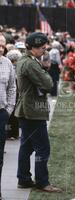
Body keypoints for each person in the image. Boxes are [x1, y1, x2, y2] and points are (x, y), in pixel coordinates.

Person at [14, 32, 62, 192]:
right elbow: (49, 83)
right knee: (43, 148)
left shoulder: (26, 60)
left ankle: (24, 178)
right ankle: (42, 182)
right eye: (41, 47)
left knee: (26, 147)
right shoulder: (30, 63)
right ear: (32, 48)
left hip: (27, 110)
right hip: (32, 112)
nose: (44, 50)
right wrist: (45, 73)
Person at [0, 34, 16, 199]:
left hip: (1, 115)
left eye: (3, 45)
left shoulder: (7, 64)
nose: (0, 48)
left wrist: (9, 109)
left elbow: (12, 87)